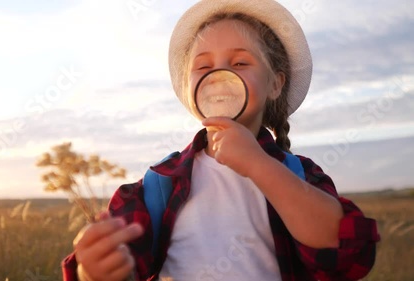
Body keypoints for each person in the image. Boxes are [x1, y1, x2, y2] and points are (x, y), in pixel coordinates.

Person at [62, 0, 380, 280]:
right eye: (203, 66)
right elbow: (123, 260)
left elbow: (345, 255)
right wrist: (94, 272)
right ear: (190, 89)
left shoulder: (300, 175)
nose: (219, 75)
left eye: (240, 62)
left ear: (275, 84)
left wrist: (259, 165)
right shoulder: (161, 182)